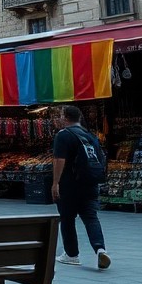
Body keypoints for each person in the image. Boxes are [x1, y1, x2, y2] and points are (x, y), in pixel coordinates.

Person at [52, 104, 111, 269]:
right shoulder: (90, 136)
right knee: (91, 217)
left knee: (67, 218)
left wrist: (55, 183)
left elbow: (59, 161)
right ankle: (100, 249)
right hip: (90, 183)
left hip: (70, 185)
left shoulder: (63, 135)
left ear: (65, 117)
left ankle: (71, 255)